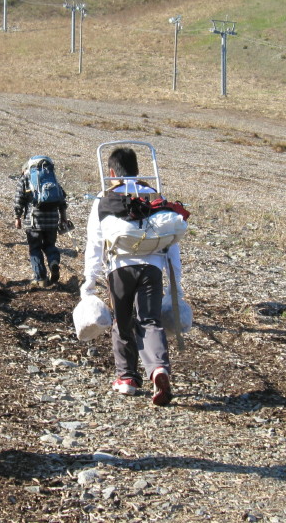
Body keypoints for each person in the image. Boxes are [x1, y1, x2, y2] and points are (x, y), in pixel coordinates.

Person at [80, 147, 184, 406]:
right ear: (137, 170)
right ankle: (158, 368)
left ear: (112, 172)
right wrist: (176, 286)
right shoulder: (154, 195)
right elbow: (173, 243)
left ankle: (126, 378)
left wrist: (89, 282)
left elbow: (95, 243)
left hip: (120, 268)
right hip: (153, 266)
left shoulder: (105, 198)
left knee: (122, 321)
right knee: (150, 320)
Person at [13, 156, 68, 287]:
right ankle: (54, 262)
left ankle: (41, 278)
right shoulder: (52, 178)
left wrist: (17, 217)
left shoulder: (26, 178)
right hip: (52, 220)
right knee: (50, 245)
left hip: (34, 221)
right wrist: (63, 217)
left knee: (35, 249)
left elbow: (18, 200)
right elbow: (62, 200)